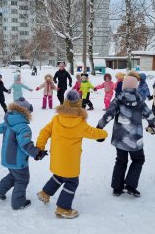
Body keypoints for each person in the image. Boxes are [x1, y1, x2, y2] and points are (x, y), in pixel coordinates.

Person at [36, 90, 108, 219]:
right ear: (78, 104)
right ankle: (63, 208)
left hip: (57, 156)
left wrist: (40, 147)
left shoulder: (56, 119)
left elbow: (44, 132)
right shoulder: (80, 123)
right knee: (72, 182)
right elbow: (92, 133)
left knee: (59, 175)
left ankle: (45, 193)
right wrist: (104, 134)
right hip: (70, 160)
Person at [97, 75, 155, 197]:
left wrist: (100, 127)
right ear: (136, 87)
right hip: (135, 138)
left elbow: (108, 114)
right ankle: (130, 185)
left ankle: (117, 188)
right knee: (138, 159)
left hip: (120, 138)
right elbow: (149, 115)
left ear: (124, 87)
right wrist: (152, 124)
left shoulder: (118, 99)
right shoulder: (140, 100)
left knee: (120, 161)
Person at [0, 98, 46, 210]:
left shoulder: (8, 122)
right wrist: (37, 154)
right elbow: (25, 145)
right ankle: (18, 203)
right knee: (22, 179)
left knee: (13, 175)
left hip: (7, 158)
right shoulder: (23, 127)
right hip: (18, 160)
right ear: (25, 112)